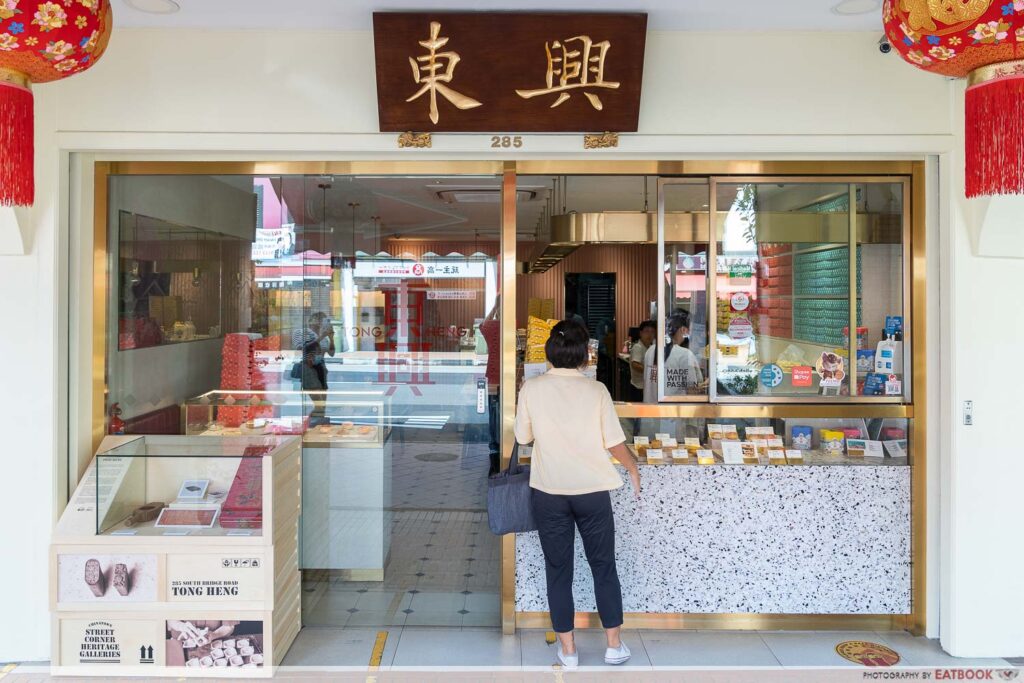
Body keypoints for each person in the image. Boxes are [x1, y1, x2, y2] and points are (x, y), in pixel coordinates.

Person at [514, 320, 641, 670]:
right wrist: (632, 467)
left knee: (558, 570)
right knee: (604, 566)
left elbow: (523, 438)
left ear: (549, 353)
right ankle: (613, 646)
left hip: (549, 491)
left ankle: (568, 651)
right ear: (585, 355)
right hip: (592, 492)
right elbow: (614, 442)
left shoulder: (531, 388)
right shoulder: (596, 390)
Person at [643, 312, 704, 402]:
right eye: (690, 330)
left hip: (649, 409)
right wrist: (704, 385)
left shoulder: (650, 350)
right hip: (672, 410)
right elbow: (692, 392)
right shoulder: (685, 354)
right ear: (683, 329)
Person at [479, 297, 501, 475]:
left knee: (493, 413)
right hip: (508, 376)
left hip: (494, 375)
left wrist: (494, 307)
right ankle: (505, 448)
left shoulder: (492, 326)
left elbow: (482, 325)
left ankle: (494, 450)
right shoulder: (510, 326)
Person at [628, 321, 655, 402]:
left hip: (646, 387)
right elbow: (635, 364)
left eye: (652, 332)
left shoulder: (651, 347)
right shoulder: (638, 347)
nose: (649, 334)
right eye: (647, 331)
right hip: (638, 388)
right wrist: (650, 371)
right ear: (641, 333)